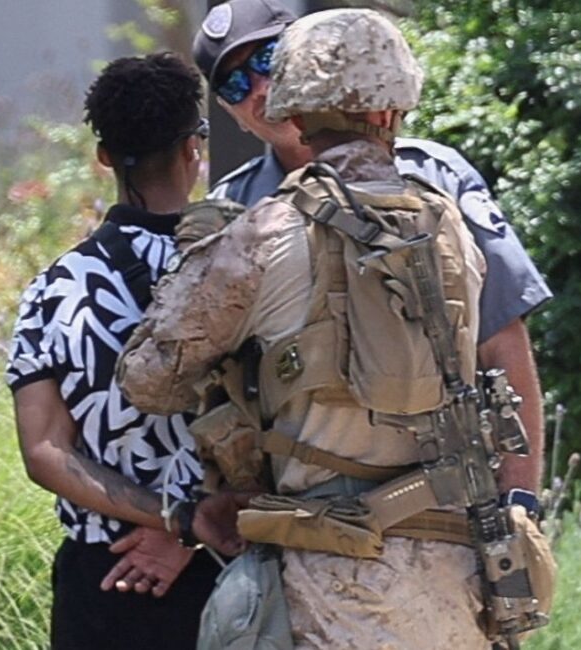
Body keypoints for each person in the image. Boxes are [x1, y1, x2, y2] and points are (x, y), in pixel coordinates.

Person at [119, 9, 553, 649]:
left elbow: (149, 382)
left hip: (329, 584)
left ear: (294, 112)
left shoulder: (259, 233)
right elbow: (501, 356)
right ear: (391, 111)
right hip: (457, 580)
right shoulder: (449, 222)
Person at [191, 0, 550, 505]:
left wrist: (521, 497)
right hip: (302, 513)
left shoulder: (434, 178)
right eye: (233, 84)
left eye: (267, 60)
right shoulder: (231, 211)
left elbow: (501, 338)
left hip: (446, 497)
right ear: (228, 112)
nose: (260, 89)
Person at [6, 53, 242, 649]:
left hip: (104, 578)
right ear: (195, 147)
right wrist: (197, 524)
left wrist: (175, 519)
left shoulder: (55, 289)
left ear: (104, 156)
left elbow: (44, 452)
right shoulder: (248, 264)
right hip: (232, 571)